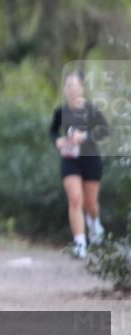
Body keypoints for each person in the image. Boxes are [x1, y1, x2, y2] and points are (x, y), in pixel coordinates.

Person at [50, 72, 110, 258]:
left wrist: (83, 137)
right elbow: (53, 131)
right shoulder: (61, 111)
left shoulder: (92, 110)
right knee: (76, 199)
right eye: (69, 86)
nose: (72, 90)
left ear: (82, 88)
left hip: (90, 159)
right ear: (65, 90)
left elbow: (105, 130)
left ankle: (95, 224)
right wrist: (57, 141)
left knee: (91, 204)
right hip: (70, 161)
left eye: (75, 86)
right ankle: (80, 243)